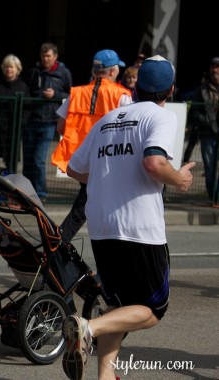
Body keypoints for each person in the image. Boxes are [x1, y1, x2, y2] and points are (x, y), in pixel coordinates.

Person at [61, 55, 195, 380]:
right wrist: (179, 179)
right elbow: (154, 164)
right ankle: (87, 327)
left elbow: (75, 168)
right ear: (170, 90)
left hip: (103, 224)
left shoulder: (108, 119)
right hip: (139, 229)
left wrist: (110, 178)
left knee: (119, 306)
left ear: (135, 87)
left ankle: (105, 376)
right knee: (152, 310)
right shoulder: (160, 117)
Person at [52, 49, 132, 241]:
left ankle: (58, 244)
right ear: (112, 72)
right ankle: (57, 245)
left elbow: (60, 126)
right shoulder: (122, 95)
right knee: (88, 206)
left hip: (81, 158)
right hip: (108, 158)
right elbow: (129, 130)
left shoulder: (76, 94)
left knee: (89, 203)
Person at [24, 42, 72, 200]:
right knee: (28, 158)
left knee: (39, 159)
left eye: (48, 56)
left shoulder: (64, 73)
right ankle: (26, 191)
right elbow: (27, 91)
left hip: (49, 121)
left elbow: (69, 94)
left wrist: (56, 94)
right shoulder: (34, 71)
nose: (45, 59)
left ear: (55, 57)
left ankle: (41, 193)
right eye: (43, 56)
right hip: (32, 119)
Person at [187, 57, 219, 202]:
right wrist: (205, 120)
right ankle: (213, 197)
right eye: (213, 67)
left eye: (218, 67)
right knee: (209, 167)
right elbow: (194, 110)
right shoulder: (203, 89)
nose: (215, 70)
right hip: (207, 133)